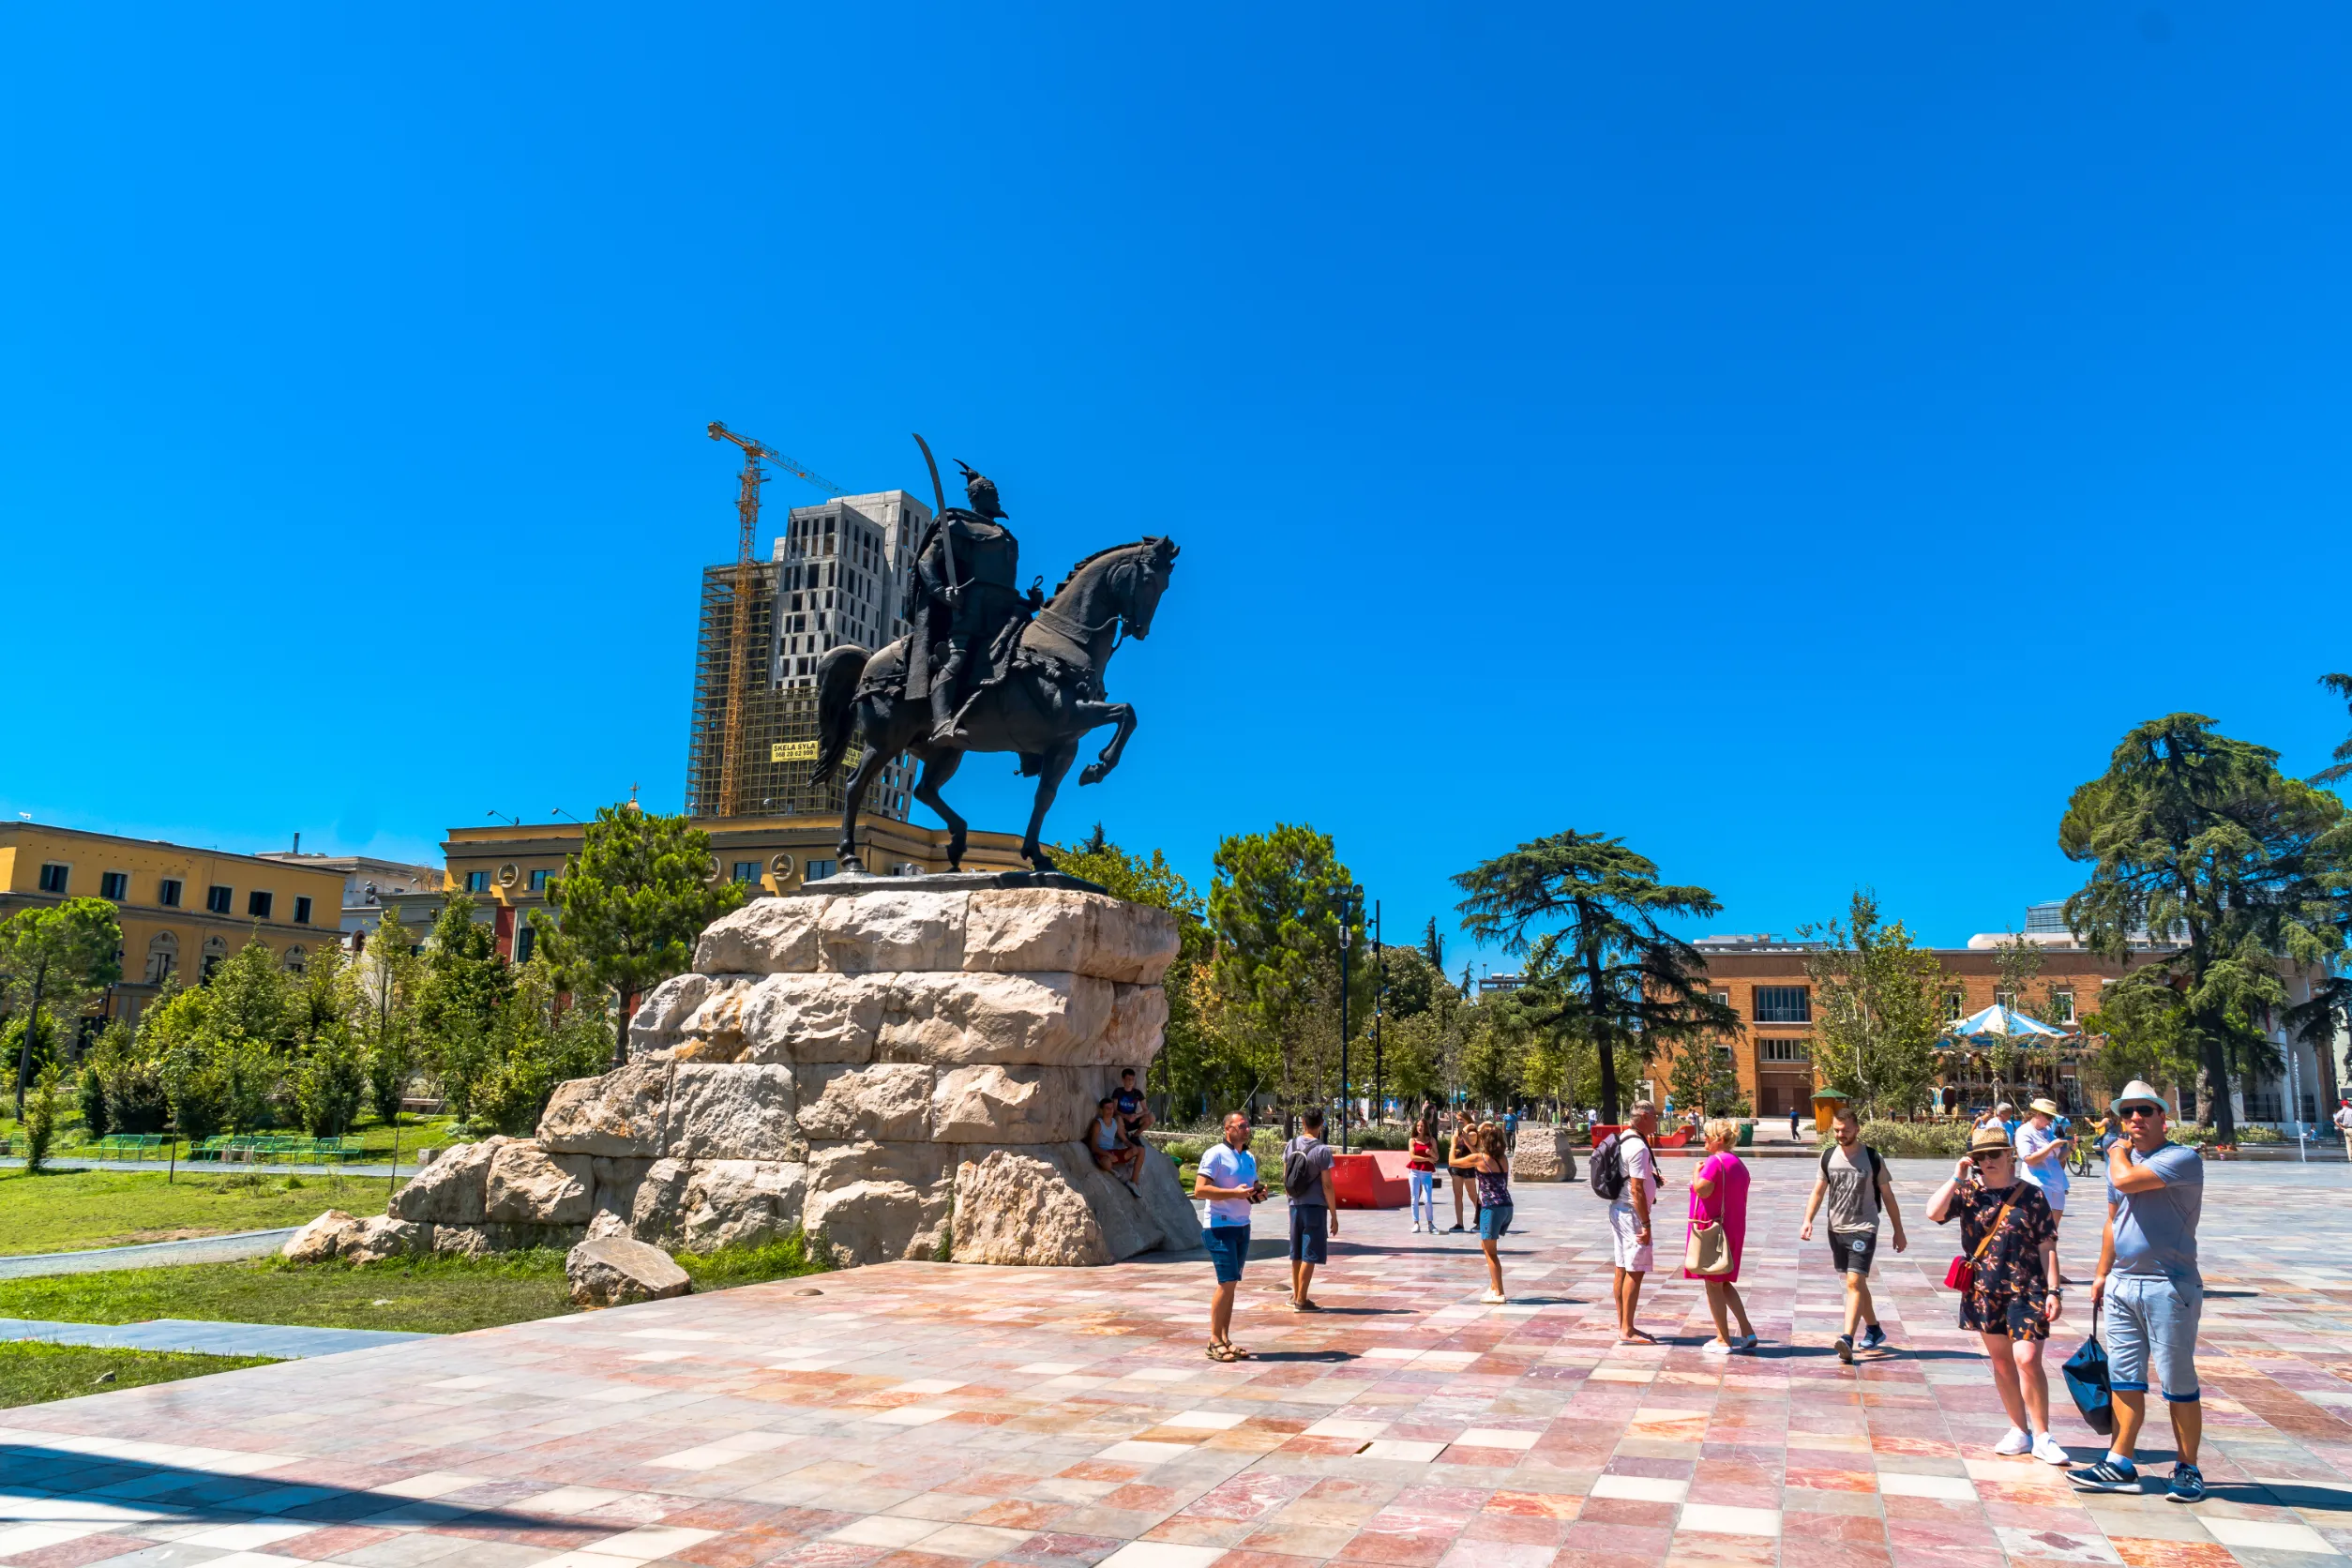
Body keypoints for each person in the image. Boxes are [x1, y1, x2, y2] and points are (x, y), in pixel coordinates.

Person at [2069, 1080, 2206, 1502]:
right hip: (2123, 1283)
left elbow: (2127, 1183)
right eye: (2128, 1112)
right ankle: (2121, 1462)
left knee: (2177, 1379)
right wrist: (2100, 1273)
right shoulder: (2122, 1164)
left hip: (2168, 1284)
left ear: (2163, 1117)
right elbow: (2114, 1219)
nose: (2135, 1119)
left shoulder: (2181, 1159)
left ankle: (2188, 1467)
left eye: (2145, 1111)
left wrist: (2113, 1150)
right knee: (2124, 1378)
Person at [1929, 1124, 2067, 1465]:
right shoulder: (1969, 1192)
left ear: (2010, 1156)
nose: (1987, 1161)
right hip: (1984, 1289)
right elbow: (1933, 1213)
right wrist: (1957, 1177)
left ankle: (2044, 1434)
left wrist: (2054, 1290)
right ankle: (2019, 1430)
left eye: (1994, 1155)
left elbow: (2047, 1244)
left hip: (2028, 1289)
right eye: (1980, 1156)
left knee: (2027, 1359)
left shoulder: (2032, 1195)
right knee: (2003, 1363)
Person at [1799, 1104, 1908, 1362]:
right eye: (1837, 1130)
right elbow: (1818, 1191)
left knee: (1854, 1282)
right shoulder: (1827, 1157)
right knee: (1856, 1284)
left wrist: (1898, 1231)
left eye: (1845, 1130)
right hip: (1836, 1228)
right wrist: (1807, 1220)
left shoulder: (1872, 1157)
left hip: (1864, 1228)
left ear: (1857, 1129)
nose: (1840, 1135)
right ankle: (1874, 1328)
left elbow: (1888, 1196)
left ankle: (1846, 1338)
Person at [1194, 1110, 1267, 1362]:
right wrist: (1233, 1194)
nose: (1247, 1129)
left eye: (1248, 1125)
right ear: (1228, 1129)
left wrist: (1258, 1194)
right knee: (1225, 1282)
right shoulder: (1215, 1154)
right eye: (1242, 1125)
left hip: (1242, 1226)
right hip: (1219, 1227)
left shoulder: (1248, 1157)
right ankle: (1213, 1340)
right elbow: (1200, 1190)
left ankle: (1225, 1338)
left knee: (1231, 1284)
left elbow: (1250, 1189)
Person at [1687, 1118, 1756, 1353]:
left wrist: (1696, 1173)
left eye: (1706, 1136)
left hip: (1714, 1230)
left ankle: (1723, 1338)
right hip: (1732, 1228)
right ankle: (1747, 1331)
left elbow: (1702, 1190)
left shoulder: (1715, 1162)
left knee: (1713, 1285)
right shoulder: (1737, 1162)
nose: (1703, 1139)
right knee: (1723, 1282)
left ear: (1718, 1139)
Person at [1606, 1101, 1662, 1343]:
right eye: (1655, 1116)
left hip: (1619, 1210)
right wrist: (1647, 1225)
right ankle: (1627, 1329)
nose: (1658, 1120)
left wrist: (1652, 1177)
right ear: (1644, 1116)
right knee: (1635, 1270)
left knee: (1622, 1266)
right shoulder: (1638, 1146)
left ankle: (1623, 1324)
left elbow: (1634, 1177)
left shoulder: (1625, 1137)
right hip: (1632, 1214)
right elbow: (1637, 1190)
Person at [1451, 1123, 1514, 1303]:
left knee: (1490, 1252)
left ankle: (1499, 1292)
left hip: (1491, 1208)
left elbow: (1452, 1162)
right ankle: (1494, 1287)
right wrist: (1465, 1138)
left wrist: (1455, 1143)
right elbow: (1477, 1154)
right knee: (1487, 1247)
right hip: (1506, 1206)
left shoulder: (1480, 1159)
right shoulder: (1502, 1159)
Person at [1284, 1109, 1339, 1310]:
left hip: (1295, 1206)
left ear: (1302, 1122)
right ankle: (1301, 1300)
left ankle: (1295, 1295)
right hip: (1315, 1207)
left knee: (1296, 1252)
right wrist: (1333, 1214)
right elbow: (1327, 1185)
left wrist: (1291, 1200)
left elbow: (1286, 1178)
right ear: (1322, 1124)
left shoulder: (1292, 1145)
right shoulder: (1322, 1150)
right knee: (1310, 1253)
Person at [2017, 1098, 2071, 1229]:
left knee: (2053, 1229)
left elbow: (2058, 1157)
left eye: (2052, 1117)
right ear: (2037, 1114)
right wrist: (2051, 1146)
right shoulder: (2024, 1131)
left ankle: (2051, 1249)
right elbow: (2029, 1159)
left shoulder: (2048, 1131)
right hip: (2038, 1183)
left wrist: (2070, 1147)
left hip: (2056, 1182)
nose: (2051, 1120)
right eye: (2049, 1116)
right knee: (2040, 1228)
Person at [1089, 1096, 1141, 1185]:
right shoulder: (1098, 1124)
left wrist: (1132, 1145)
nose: (1110, 1111)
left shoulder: (1114, 1122)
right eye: (1107, 1108)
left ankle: (1134, 1182)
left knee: (1140, 1150)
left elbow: (1124, 1138)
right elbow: (1093, 1147)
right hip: (1102, 1153)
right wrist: (1108, 1155)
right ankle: (1113, 1172)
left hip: (1112, 1152)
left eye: (1112, 1108)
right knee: (1107, 1163)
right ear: (1101, 1110)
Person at [1446, 1112, 1481, 1233]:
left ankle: (1481, 1220)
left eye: (1461, 1120)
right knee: (1457, 1195)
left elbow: (1475, 1152)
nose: (1459, 1123)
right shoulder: (1456, 1133)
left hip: (1468, 1165)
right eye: (1457, 1120)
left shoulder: (1472, 1133)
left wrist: (1465, 1139)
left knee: (1472, 1194)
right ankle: (1459, 1223)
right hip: (1457, 1164)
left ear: (1467, 1120)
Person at [1407, 1113, 1440, 1234]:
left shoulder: (1431, 1140)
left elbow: (1436, 1158)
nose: (1419, 1128)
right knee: (1414, 1198)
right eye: (1418, 1126)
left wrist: (1431, 1153)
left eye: (1422, 1126)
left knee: (1427, 1199)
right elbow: (1413, 1157)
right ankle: (1416, 1223)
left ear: (1426, 1127)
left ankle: (1430, 1223)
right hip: (1414, 1171)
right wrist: (1427, 1159)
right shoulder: (1412, 1140)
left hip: (1426, 1173)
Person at [1115, 1068, 1154, 1146]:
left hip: (1133, 1119)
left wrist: (1136, 1116)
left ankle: (1135, 1136)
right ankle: (1125, 1139)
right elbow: (1114, 1110)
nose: (1130, 1082)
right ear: (1123, 1080)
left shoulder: (1137, 1093)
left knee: (1151, 1117)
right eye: (1128, 1079)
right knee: (1117, 1118)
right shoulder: (1118, 1091)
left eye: (1132, 1079)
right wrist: (1125, 1116)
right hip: (1122, 1121)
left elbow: (1146, 1110)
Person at [2333, 1097, 2352, 1161]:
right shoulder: (2351, 1111)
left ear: (2342, 1105)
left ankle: (2350, 1159)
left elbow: (2335, 1120)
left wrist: (2341, 1127)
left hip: (2345, 1129)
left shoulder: (2340, 1112)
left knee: (2348, 1145)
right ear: (2348, 1104)